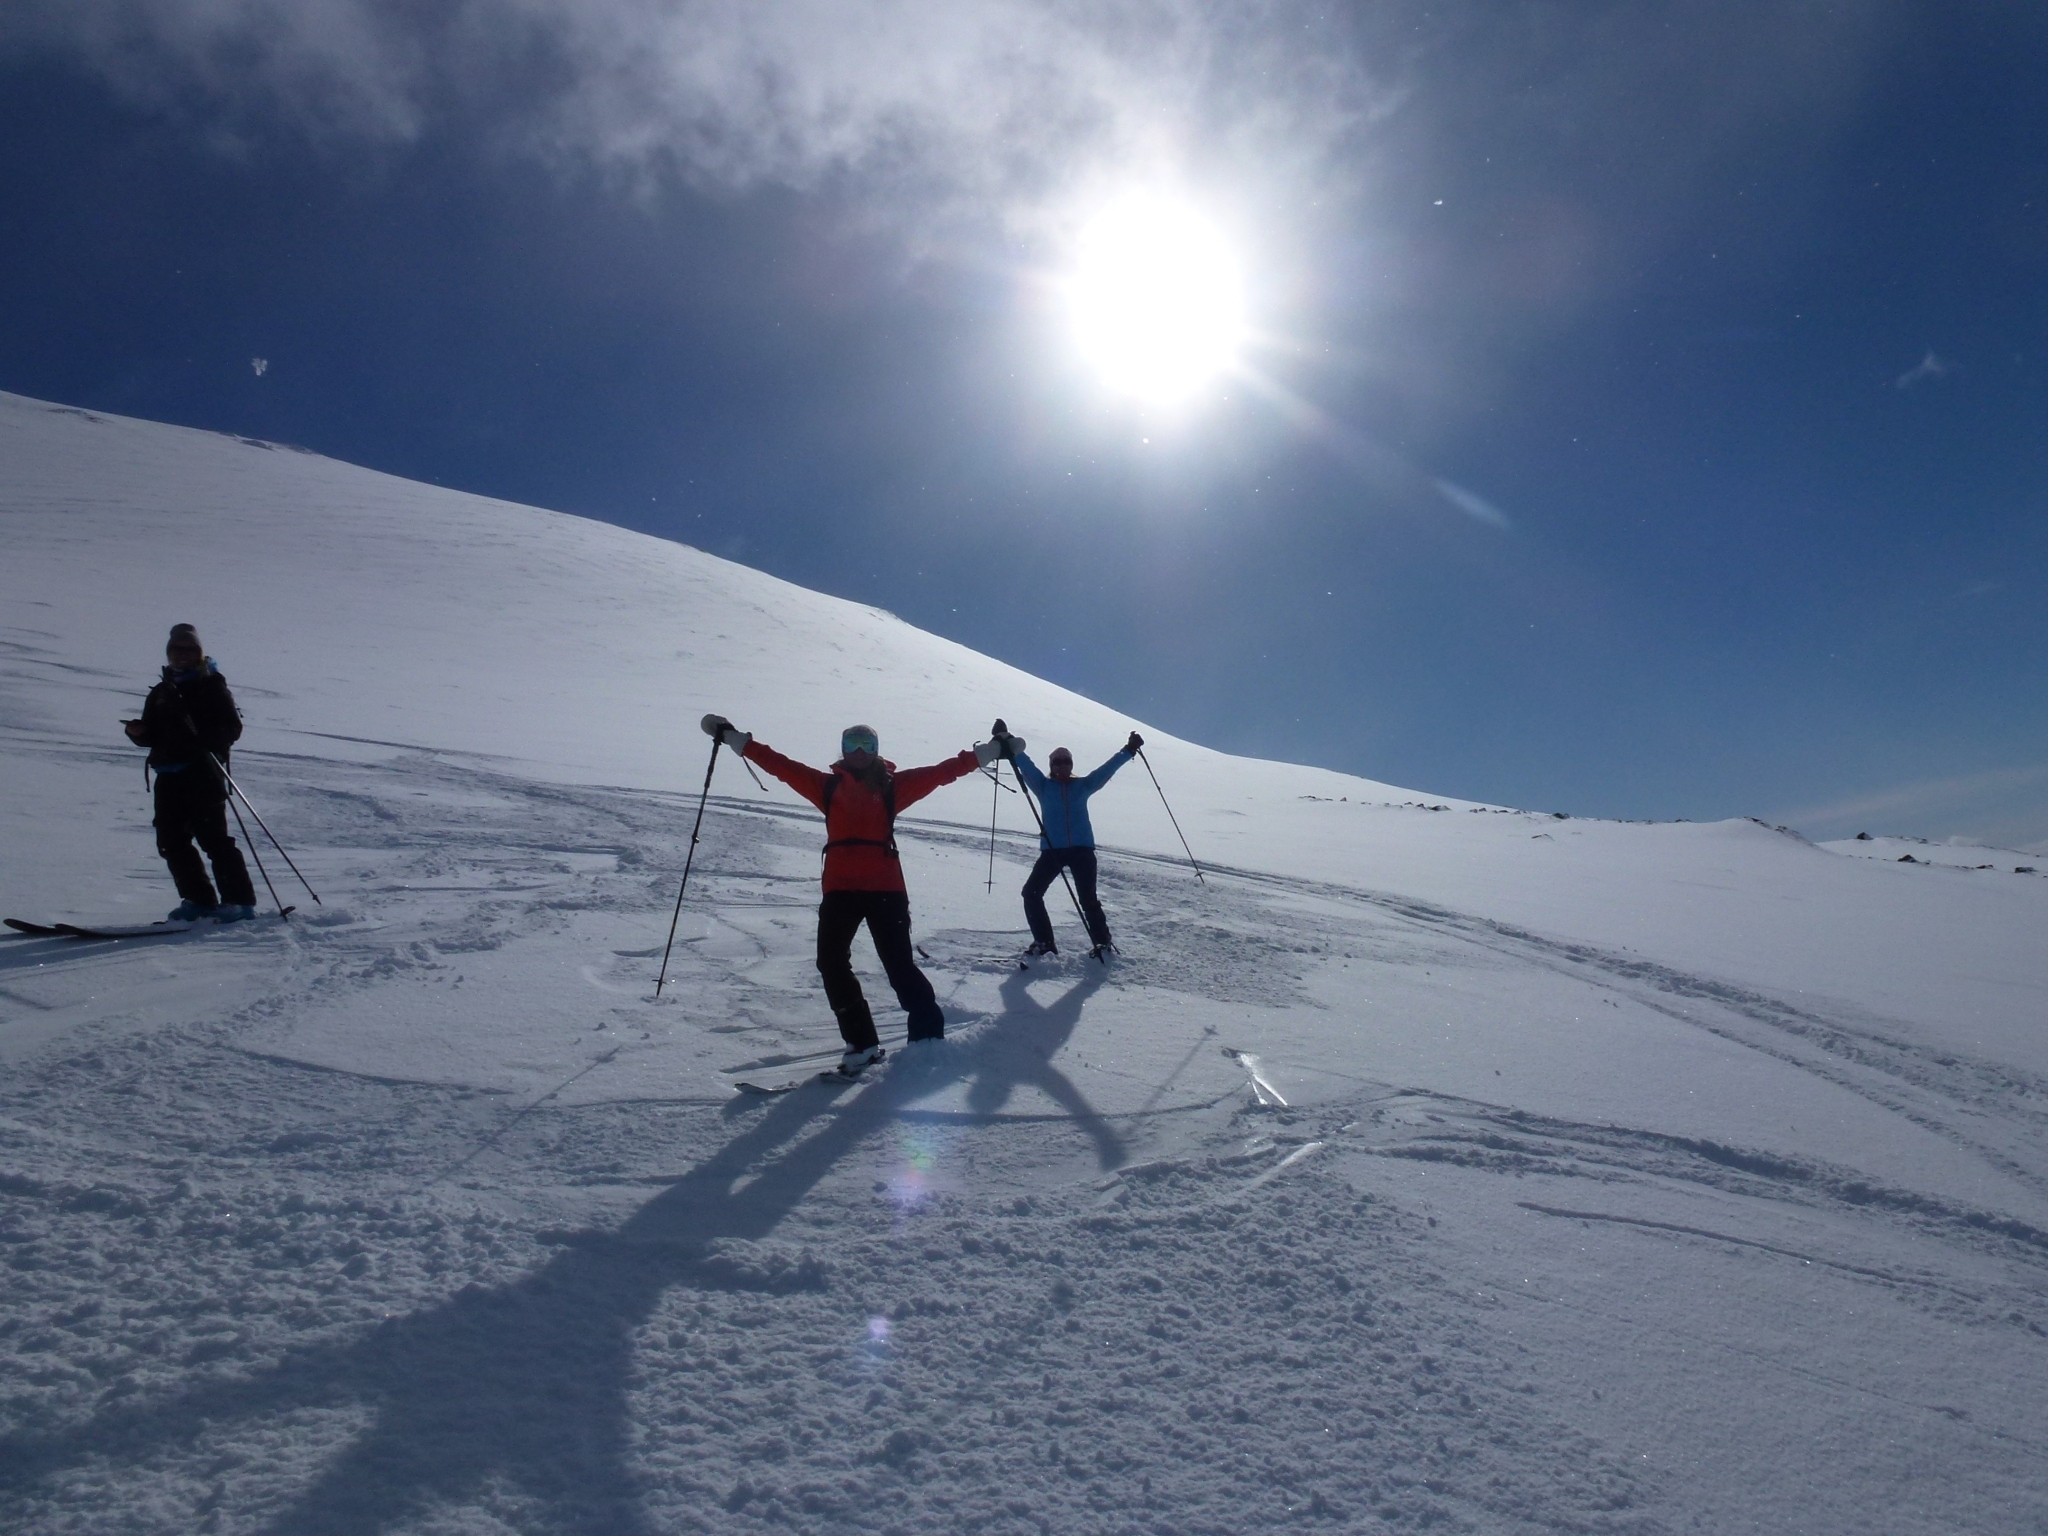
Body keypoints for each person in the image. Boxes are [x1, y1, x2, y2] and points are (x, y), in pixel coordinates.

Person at [700, 715, 1002, 1074]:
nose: (859, 751)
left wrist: (989, 752)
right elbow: (780, 766)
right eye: (852, 744)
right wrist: (736, 739)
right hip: (840, 890)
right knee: (830, 963)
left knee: (898, 965)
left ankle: (927, 1040)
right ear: (842, 750)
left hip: (885, 889)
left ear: (877, 751)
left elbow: (941, 772)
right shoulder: (826, 786)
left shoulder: (892, 787)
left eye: (867, 745)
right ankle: (862, 1043)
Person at [120, 623, 258, 922]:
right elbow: (152, 735)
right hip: (168, 774)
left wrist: (201, 740)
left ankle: (239, 902)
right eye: (176, 650)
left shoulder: (211, 686)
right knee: (171, 841)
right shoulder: (161, 691)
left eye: (189, 650)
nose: (182, 655)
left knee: (213, 839)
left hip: (203, 772)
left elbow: (232, 728)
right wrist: (138, 733)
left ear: (199, 654)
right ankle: (198, 901)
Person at [996, 723, 1143, 957]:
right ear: (1051, 766)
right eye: (1057, 762)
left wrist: (1128, 750)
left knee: (1088, 899)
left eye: (1066, 761)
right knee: (1031, 893)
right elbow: (1026, 764)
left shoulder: (1083, 785)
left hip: (1082, 851)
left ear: (1071, 765)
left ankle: (1103, 943)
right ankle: (1044, 942)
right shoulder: (1043, 786)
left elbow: (1107, 769)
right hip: (1052, 851)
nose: (1062, 765)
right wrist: (1006, 738)